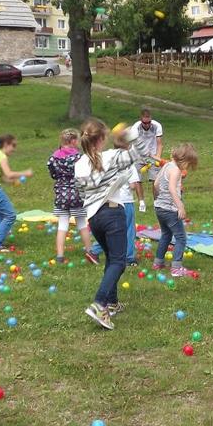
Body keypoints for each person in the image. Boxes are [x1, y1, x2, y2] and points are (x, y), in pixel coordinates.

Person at [76, 119, 147, 329]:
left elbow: (82, 193)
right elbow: (138, 154)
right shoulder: (110, 156)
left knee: (111, 259)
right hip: (112, 212)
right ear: (101, 139)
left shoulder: (79, 164)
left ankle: (112, 303)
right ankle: (99, 304)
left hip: (93, 218)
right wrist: (129, 136)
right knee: (119, 261)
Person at [47, 128, 98, 264]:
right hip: (77, 194)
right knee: (81, 223)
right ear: (73, 141)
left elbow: (53, 174)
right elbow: (85, 174)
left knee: (62, 225)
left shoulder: (54, 157)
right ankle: (90, 252)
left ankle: (59, 256)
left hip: (61, 195)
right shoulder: (79, 157)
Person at [90, 135, 142, 267]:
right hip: (125, 201)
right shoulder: (128, 162)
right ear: (128, 147)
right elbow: (133, 184)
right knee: (128, 229)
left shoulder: (108, 159)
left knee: (112, 229)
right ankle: (129, 258)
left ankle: (94, 251)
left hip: (108, 200)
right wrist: (141, 199)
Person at [0, 134, 33, 251]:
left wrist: (12, 182)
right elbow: (9, 174)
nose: (14, 148)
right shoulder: (2, 156)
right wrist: (25, 173)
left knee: (2, 215)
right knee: (10, 215)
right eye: (13, 145)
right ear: (6, 145)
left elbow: (3, 178)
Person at [152, 143, 199, 277]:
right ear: (184, 160)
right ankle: (176, 268)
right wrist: (180, 206)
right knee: (181, 237)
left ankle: (158, 262)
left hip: (159, 207)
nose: (187, 169)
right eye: (188, 165)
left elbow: (156, 184)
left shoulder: (167, 165)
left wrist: (157, 200)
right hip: (170, 210)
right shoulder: (176, 170)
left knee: (166, 234)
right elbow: (172, 189)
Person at [130, 108, 163, 212]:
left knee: (155, 179)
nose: (147, 125)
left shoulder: (157, 126)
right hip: (138, 155)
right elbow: (135, 143)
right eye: (145, 123)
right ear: (141, 121)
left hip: (152, 155)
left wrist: (158, 157)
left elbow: (159, 144)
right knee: (137, 179)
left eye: (149, 122)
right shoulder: (135, 128)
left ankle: (156, 202)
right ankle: (141, 202)